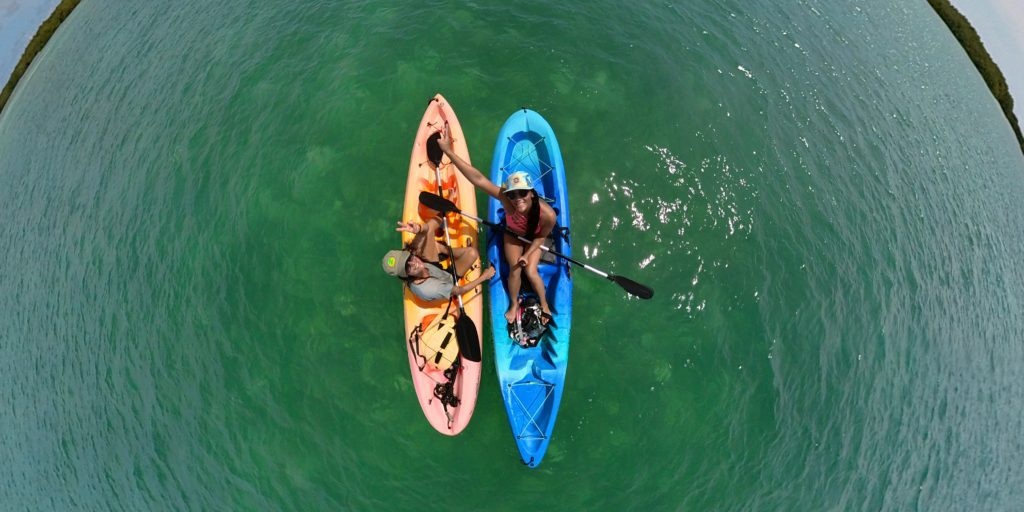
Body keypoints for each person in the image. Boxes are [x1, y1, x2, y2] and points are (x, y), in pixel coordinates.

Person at [437, 125, 556, 325]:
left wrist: (528, 254)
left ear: (532, 193)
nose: (517, 199)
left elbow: (541, 237)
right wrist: (448, 152)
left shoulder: (548, 215)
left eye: (523, 193)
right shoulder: (505, 198)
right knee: (515, 268)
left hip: (534, 238)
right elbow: (477, 179)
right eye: (513, 194)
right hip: (513, 234)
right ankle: (513, 304)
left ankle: (544, 304)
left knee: (531, 271)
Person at [382, 216, 495, 302]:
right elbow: (460, 290)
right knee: (472, 253)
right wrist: (485, 276)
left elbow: (424, 231)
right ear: (405, 275)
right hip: (446, 278)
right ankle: (440, 248)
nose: (414, 263)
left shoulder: (414, 257)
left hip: (432, 267)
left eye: (408, 258)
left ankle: (442, 248)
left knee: (429, 228)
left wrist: (419, 228)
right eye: (407, 267)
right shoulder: (431, 288)